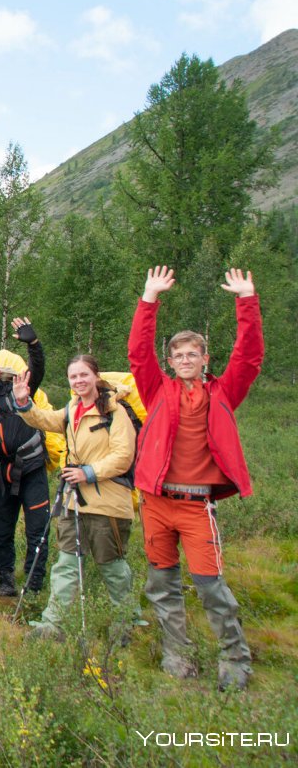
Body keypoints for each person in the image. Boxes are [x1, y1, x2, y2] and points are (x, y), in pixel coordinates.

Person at [130, 266, 261, 690]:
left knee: (211, 588)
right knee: (162, 586)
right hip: (157, 504)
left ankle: (236, 660)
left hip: (196, 507)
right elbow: (138, 354)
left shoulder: (224, 393)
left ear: (205, 359)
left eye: (193, 354)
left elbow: (249, 356)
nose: (185, 361)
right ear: (170, 362)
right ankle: (176, 654)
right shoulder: (157, 391)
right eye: (179, 355)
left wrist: (247, 300)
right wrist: (148, 299)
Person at [13, 355, 141, 639]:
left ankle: (127, 621)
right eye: (73, 377)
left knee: (112, 566)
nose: (79, 381)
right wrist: (23, 402)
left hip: (108, 502)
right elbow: (45, 420)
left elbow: (123, 456)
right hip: (73, 502)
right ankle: (53, 624)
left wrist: (88, 473)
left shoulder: (115, 412)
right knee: (67, 564)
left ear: (96, 376)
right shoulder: (72, 409)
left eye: (84, 375)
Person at [0, 318, 50, 597]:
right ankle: (6, 580)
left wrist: (33, 343)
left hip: (32, 469)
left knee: (37, 529)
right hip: (0, 473)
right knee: (2, 529)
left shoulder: (20, 389)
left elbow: (37, 369)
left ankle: (34, 583)